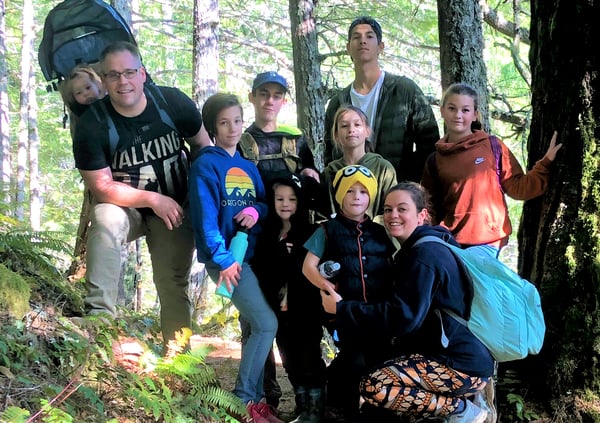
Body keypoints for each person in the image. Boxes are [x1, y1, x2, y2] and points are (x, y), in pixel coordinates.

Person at [71, 41, 212, 344]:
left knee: (171, 281)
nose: (123, 82)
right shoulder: (92, 125)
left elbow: (203, 147)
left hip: (176, 206)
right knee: (105, 217)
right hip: (127, 208)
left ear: (143, 74)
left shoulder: (172, 103)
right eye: (113, 75)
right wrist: (151, 199)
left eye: (129, 72)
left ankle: (179, 355)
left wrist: (201, 201)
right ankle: (99, 323)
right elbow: (101, 186)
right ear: (104, 81)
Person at [321, 182, 495, 422]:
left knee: (375, 386)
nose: (393, 215)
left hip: (460, 365)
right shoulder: (424, 247)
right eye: (388, 209)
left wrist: (342, 309)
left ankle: (462, 409)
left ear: (421, 214)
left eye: (402, 209)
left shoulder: (424, 255)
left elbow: (403, 317)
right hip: (452, 357)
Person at [188, 93, 282, 423]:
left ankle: (255, 402)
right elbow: (205, 217)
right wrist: (223, 259)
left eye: (237, 121)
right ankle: (242, 400)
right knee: (266, 323)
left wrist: (256, 211)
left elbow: (263, 203)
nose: (232, 128)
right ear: (213, 127)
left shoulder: (246, 166)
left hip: (251, 256)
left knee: (255, 327)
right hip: (226, 260)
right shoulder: (205, 165)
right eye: (224, 123)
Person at [240, 70, 321, 410]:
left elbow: (313, 189)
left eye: (276, 94)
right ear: (253, 97)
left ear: (284, 100)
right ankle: (263, 398)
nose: (269, 100)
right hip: (257, 241)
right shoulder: (241, 141)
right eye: (263, 93)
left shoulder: (297, 140)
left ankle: (309, 397)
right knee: (256, 321)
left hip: (294, 241)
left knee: (297, 321)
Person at [421, 83, 562, 255]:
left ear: (475, 115)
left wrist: (546, 162)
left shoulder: (493, 146)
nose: (458, 115)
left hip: (489, 241)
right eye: (452, 108)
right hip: (451, 242)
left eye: (465, 110)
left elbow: (518, 187)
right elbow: (430, 208)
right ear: (442, 111)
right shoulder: (434, 160)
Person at [303, 164, 395, 420]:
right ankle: (338, 409)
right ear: (340, 196)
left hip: (377, 312)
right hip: (344, 312)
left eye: (363, 192)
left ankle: (372, 412)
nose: (357, 197)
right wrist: (327, 288)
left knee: (378, 360)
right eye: (350, 191)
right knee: (353, 359)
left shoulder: (381, 232)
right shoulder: (327, 230)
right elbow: (308, 266)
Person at [323, 16, 440, 182]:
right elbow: (330, 151)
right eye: (356, 37)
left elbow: (429, 143)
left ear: (380, 47)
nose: (363, 41)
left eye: (369, 36)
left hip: (395, 197)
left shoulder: (404, 90)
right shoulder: (338, 103)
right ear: (348, 48)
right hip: (350, 198)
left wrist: (407, 186)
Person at [252, 172, 326, 423]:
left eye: (292, 199)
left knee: (309, 358)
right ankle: (302, 406)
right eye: (280, 198)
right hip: (278, 311)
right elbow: (262, 267)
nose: (285, 204)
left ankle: (315, 411)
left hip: (306, 311)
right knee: (289, 359)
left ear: (300, 202)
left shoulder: (311, 233)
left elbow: (310, 269)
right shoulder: (266, 234)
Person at [322, 104, 397, 220]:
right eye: (344, 126)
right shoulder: (330, 171)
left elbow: (393, 207)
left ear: (367, 131)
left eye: (357, 125)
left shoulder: (383, 168)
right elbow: (324, 212)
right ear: (336, 135)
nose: (351, 130)